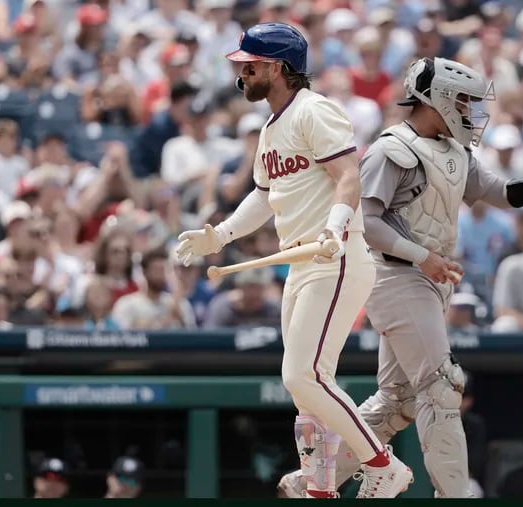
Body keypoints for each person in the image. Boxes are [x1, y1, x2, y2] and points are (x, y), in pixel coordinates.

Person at [278, 56, 523, 498]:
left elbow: (502, 194)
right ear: (438, 100)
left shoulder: (454, 150)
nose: (471, 112)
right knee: (443, 387)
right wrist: (422, 256)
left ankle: (316, 479)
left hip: (429, 280)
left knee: (399, 402)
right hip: (396, 276)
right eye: (464, 101)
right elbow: (366, 221)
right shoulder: (392, 148)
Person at [176, 22, 412, 499]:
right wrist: (218, 235)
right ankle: (321, 488)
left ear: (279, 68)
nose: (241, 74)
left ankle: (383, 466)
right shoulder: (270, 127)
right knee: (304, 389)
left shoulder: (314, 109)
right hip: (302, 262)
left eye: (250, 65)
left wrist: (337, 224)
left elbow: (349, 177)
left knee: (302, 375)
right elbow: (265, 197)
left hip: (335, 254)